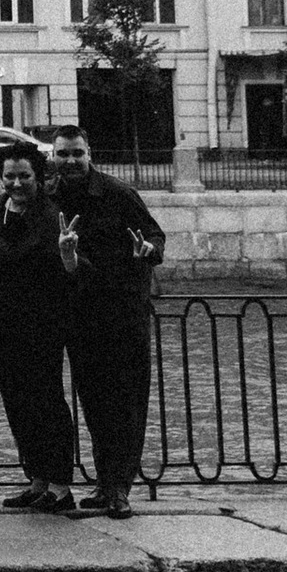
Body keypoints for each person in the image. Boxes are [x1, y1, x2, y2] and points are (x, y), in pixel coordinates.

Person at [50, 126, 166, 514]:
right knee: (95, 405)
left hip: (123, 313)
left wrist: (148, 248)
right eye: (63, 154)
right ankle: (105, 483)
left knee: (127, 405)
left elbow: (153, 234)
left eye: (77, 153)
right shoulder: (51, 197)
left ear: (89, 154)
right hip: (81, 316)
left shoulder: (118, 193)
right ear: (53, 156)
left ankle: (119, 488)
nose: (70, 161)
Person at [0, 141, 75, 510]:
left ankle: (61, 487)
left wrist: (68, 255)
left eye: (24, 176)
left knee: (46, 403)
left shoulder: (52, 217)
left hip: (41, 325)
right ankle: (37, 479)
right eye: (9, 176)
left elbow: (68, 273)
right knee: (17, 404)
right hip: (1, 324)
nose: (16, 183)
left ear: (39, 176)